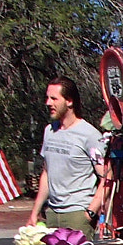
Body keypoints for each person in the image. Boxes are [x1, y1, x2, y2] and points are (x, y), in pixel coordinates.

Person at [27, 78, 108, 235]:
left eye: (54, 98)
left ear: (69, 101)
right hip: (51, 215)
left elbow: (106, 177)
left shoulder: (89, 135)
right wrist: (35, 211)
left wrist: (90, 212)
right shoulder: (49, 131)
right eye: (47, 98)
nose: (48, 103)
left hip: (77, 216)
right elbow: (46, 173)